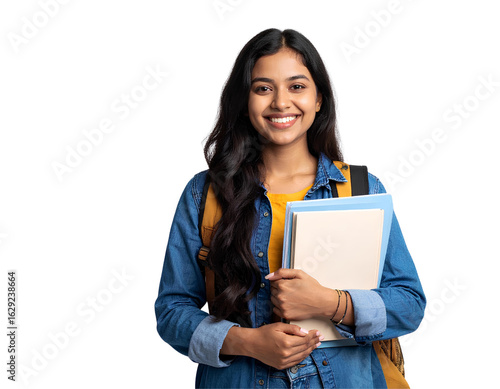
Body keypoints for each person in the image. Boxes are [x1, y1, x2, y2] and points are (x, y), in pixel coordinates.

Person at [154, 28, 426, 388]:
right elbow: (172, 311)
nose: (281, 103)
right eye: (263, 88)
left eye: (297, 86)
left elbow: (409, 303)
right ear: (244, 100)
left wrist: (331, 303)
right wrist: (246, 342)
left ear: (319, 100)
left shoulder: (360, 189)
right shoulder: (204, 194)